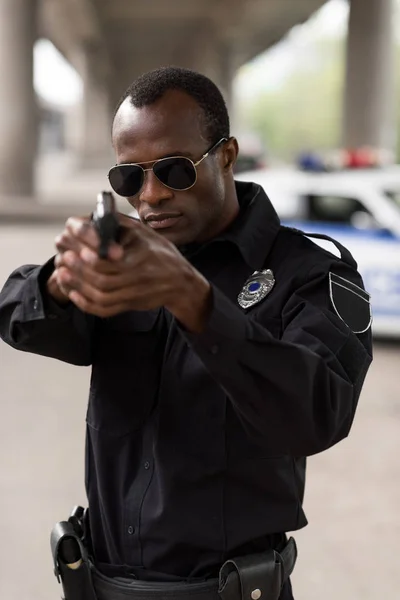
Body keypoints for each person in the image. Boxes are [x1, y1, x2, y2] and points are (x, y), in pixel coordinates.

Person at [0, 67, 373, 600]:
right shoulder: (126, 254)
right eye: (129, 178)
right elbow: (16, 315)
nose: (150, 195)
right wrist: (60, 282)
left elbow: (315, 417)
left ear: (225, 154)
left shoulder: (309, 272)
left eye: (174, 171)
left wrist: (194, 300)